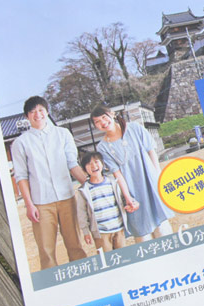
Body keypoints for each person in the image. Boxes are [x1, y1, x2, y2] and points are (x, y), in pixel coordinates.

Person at [11, 96, 87, 269]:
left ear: (47, 112)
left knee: (75, 245)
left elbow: (72, 164)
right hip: (41, 203)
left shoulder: (62, 134)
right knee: (46, 251)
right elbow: (21, 176)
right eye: (32, 112)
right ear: (27, 116)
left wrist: (91, 185)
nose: (37, 114)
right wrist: (29, 205)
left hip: (66, 197)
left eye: (40, 110)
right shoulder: (20, 143)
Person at [90, 104, 173, 242]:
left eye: (104, 117)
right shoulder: (102, 147)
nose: (103, 123)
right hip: (131, 189)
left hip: (150, 181)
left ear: (112, 114)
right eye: (97, 122)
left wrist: (157, 175)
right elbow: (117, 174)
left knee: (162, 228)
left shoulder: (134, 128)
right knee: (142, 234)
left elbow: (151, 151)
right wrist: (128, 197)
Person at [76, 151, 134, 253]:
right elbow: (82, 213)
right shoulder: (84, 190)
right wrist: (85, 232)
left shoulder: (113, 182)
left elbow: (122, 199)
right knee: (105, 259)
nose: (93, 166)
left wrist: (129, 204)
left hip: (118, 228)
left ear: (102, 164)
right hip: (101, 233)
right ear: (84, 169)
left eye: (96, 162)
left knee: (123, 256)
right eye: (89, 164)